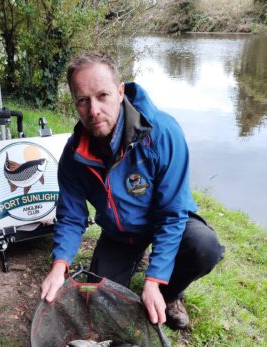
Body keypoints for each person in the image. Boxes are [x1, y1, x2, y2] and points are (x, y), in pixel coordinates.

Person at [41, 51, 224, 330]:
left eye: (102, 96)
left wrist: (154, 281)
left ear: (120, 91)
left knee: (204, 247)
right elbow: (71, 217)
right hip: (120, 234)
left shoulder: (162, 132)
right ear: (75, 104)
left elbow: (173, 214)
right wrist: (59, 265)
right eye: (82, 100)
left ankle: (170, 292)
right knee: (99, 305)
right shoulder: (73, 155)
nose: (93, 110)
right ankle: (137, 258)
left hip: (163, 220)